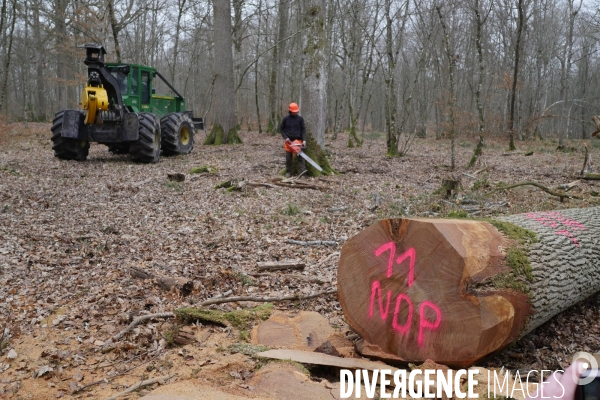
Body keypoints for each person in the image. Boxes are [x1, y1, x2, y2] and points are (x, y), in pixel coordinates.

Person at [280, 102, 306, 177]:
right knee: (288, 159)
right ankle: (288, 172)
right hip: (289, 142)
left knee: (300, 159)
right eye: (294, 112)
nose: (295, 113)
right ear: (290, 111)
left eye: (296, 111)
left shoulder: (300, 119)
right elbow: (281, 129)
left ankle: (302, 174)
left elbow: (303, 130)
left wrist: (304, 140)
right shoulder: (285, 119)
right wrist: (286, 138)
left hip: (298, 141)